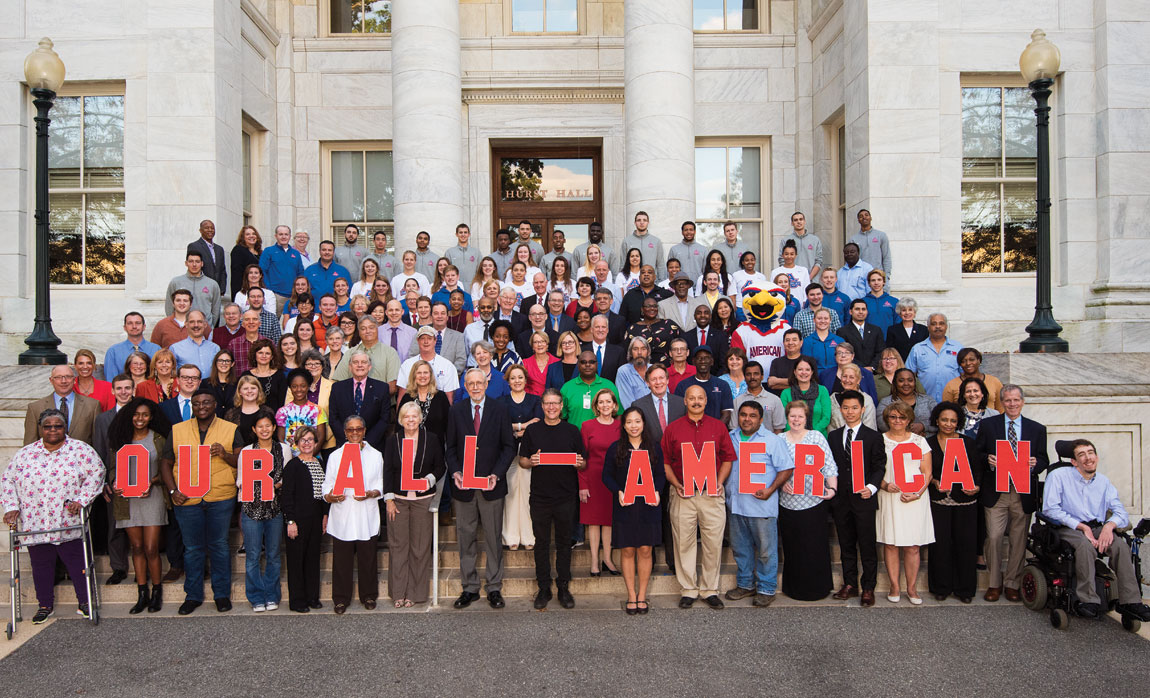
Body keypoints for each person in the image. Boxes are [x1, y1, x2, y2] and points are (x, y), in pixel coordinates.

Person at [2, 409, 104, 622]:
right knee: (41, 567)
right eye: (48, 426)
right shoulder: (26, 454)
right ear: (40, 428)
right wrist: (11, 507)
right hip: (36, 523)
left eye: (57, 426)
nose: (53, 430)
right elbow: (7, 481)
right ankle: (45, 605)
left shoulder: (80, 450)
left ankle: (86, 602)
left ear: (64, 427)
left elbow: (97, 473)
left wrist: (82, 500)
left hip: (67, 521)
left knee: (78, 565)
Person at [1041, 439, 1150, 621]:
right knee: (1085, 546)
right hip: (1068, 526)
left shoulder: (1103, 482)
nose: (1088, 458)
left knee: (1120, 547)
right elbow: (1050, 509)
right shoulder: (1058, 476)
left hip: (1097, 526)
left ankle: (1130, 602)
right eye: (1081, 454)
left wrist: (1109, 526)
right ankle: (1087, 600)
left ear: (1097, 458)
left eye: (1090, 453)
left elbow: (1120, 511)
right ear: (1074, 461)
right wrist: (1082, 527)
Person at [160, 389, 242, 615]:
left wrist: (225, 455)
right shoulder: (177, 430)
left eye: (206, 402)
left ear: (215, 404)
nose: (201, 407)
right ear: (192, 406)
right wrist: (172, 490)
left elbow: (242, 460)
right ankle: (193, 596)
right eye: (196, 403)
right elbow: (166, 463)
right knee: (193, 549)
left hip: (220, 496)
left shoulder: (230, 428)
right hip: (187, 497)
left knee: (219, 546)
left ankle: (222, 595)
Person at [661, 384, 737, 609]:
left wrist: (719, 482)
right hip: (682, 494)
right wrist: (676, 484)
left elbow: (727, 458)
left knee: (713, 543)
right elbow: (664, 461)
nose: (696, 401)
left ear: (706, 401)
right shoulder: (673, 429)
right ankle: (688, 589)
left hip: (711, 495)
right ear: (685, 401)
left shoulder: (718, 427)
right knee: (683, 542)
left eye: (700, 398)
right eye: (691, 398)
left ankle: (710, 589)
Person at [447, 369, 517, 610]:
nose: (475, 387)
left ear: (487, 383)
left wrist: (496, 474)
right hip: (464, 486)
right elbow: (451, 447)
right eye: (470, 383)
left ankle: (494, 587)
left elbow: (509, 447)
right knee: (465, 537)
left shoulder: (500, 409)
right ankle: (469, 587)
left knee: (493, 537)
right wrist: (456, 471)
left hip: (491, 485)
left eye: (479, 383)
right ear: (464, 386)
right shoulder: (456, 411)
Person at [975, 384, 1049, 603]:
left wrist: (1036, 464)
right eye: (1007, 400)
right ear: (1002, 402)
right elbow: (977, 454)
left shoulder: (1037, 429)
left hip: (1022, 492)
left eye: (1016, 400)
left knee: (1018, 539)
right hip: (995, 491)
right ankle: (994, 583)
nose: (1012, 404)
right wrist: (987, 460)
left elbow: (1044, 459)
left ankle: (1012, 583)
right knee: (995, 537)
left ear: (1022, 402)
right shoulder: (988, 425)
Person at [517, 389, 585, 609]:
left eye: (556, 403)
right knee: (542, 543)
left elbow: (583, 462)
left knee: (565, 543)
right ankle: (544, 587)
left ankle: (563, 587)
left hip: (566, 496)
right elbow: (522, 461)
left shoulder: (572, 431)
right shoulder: (533, 430)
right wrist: (532, 461)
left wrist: (579, 463)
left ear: (561, 406)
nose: (552, 407)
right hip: (540, 497)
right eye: (548, 403)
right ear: (543, 406)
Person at [725, 401, 794, 608]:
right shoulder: (731, 438)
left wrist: (771, 489)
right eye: (744, 415)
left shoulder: (773, 441)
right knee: (740, 549)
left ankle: (766, 588)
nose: (747, 419)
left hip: (761, 506)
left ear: (761, 419)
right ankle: (746, 585)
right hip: (736, 504)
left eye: (752, 415)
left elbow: (787, 469)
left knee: (765, 550)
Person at [105, 397, 170, 612]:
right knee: (137, 547)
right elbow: (113, 468)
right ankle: (142, 592)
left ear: (151, 417)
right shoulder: (122, 439)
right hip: (128, 499)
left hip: (152, 498)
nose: (140, 418)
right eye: (136, 414)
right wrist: (114, 483)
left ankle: (156, 592)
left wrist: (153, 481)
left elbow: (168, 468)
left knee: (151, 547)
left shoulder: (159, 439)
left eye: (144, 414)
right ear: (129, 416)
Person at [602, 407, 665, 614]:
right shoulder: (615, 448)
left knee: (646, 550)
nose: (633, 426)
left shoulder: (654, 448)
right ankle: (630, 595)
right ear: (623, 425)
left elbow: (661, 474)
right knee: (628, 549)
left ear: (643, 424)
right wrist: (618, 491)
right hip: (625, 506)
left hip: (648, 506)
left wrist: (657, 491)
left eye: (637, 421)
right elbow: (606, 476)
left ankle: (642, 595)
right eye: (629, 422)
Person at [383, 402, 446, 608]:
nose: (410, 420)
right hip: (399, 500)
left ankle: (415, 593)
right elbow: (388, 471)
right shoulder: (394, 441)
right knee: (398, 547)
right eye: (406, 416)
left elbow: (440, 466)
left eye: (414, 416)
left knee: (419, 548)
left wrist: (429, 479)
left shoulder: (432, 439)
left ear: (420, 418)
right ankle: (398, 592)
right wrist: (389, 499)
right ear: (401, 420)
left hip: (422, 500)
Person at [828, 390, 886, 607]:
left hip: (864, 499)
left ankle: (868, 587)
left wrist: (871, 487)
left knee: (867, 545)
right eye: (845, 408)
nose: (849, 412)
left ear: (863, 409)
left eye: (854, 408)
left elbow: (879, 466)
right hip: (841, 500)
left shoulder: (873, 436)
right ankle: (850, 584)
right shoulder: (833, 436)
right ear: (840, 409)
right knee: (846, 544)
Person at [777, 399, 837, 601]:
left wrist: (833, 488)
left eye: (800, 416)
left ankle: (818, 588)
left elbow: (829, 465)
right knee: (793, 547)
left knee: (814, 546)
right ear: (787, 418)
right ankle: (794, 589)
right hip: (788, 502)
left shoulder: (816, 437)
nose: (796, 420)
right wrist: (780, 483)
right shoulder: (780, 440)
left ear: (806, 418)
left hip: (814, 501)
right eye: (792, 416)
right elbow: (773, 469)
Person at [323, 415, 384, 614]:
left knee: (368, 558)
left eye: (359, 429)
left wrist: (372, 493)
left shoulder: (375, 455)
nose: (355, 432)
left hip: (366, 513)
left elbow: (382, 482)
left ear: (365, 430)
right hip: (344, 514)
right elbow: (327, 484)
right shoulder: (336, 456)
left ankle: (369, 595)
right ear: (344, 432)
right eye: (350, 429)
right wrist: (330, 497)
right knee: (341, 560)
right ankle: (341, 599)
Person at [926, 402, 985, 603]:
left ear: (958, 422)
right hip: (938, 501)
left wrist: (976, 486)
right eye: (944, 419)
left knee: (965, 546)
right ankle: (940, 587)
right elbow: (924, 471)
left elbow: (977, 470)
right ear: (936, 420)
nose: (948, 424)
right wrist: (934, 481)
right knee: (940, 546)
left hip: (965, 502)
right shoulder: (929, 443)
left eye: (953, 420)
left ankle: (965, 590)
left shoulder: (967, 443)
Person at [876, 401, 934, 604]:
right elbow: (872, 470)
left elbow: (927, 472)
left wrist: (917, 493)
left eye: (902, 417)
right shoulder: (879, 440)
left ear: (909, 419)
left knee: (913, 546)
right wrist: (883, 485)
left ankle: (911, 587)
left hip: (914, 498)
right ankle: (894, 585)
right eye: (893, 417)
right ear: (887, 419)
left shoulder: (920, 441)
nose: (897, 421)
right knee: (891, 544)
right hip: (889, 495)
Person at [236, 409, 289, 612]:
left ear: (274, 427)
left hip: (275, 509)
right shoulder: (247, 451)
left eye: (268, 425)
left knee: (274, 555)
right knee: (253, 555)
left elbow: (288, 476)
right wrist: (258, 486)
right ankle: (256, 596)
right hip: (251, 509)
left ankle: (271, 594)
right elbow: (240, 481)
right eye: (260, 426)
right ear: (254, 429)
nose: (264, 429)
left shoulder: (283, 449)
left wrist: (277, 484)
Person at [280, 425, 328, 613]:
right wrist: (290, 521)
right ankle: (298, 601)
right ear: (297, 443)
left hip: (316, 518)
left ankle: (312, 597)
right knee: (296, 560)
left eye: (310, 440)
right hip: (298, 520)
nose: (307, 443)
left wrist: (325, 515)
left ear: (316, 443)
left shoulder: (320, 463)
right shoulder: (293, 465)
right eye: (303, 440)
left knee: (312, 559)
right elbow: (287, 496)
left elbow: (324, 493)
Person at [500, 365, 543, 551]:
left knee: (527, 494)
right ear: (508, 381)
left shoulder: (535, 400)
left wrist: (515, 429)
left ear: (526, 380)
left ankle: (528, 536)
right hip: (507, 453)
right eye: (513, 378)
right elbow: (500, 426)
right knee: (509, 494)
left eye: (520, 377)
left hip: (529, 453)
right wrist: (523, 425)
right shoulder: (501, 402)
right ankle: (510, 537)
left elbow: (537, 426)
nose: (517, 381)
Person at [580, 389, 622, 577]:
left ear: (615, 405)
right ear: (596, 406)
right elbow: (582, 458)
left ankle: (608, 559)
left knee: (609, 521)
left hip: (613, 479)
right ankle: (594, 562)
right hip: (593, 477)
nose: (605, 405)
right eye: (601, 402)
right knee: (594, 522)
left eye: (608, 401)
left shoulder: (622, 426)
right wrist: (582, 484)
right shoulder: (587, 426)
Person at [24, 364, 100, 446]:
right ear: (51, 380)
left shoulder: (92, 406)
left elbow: (98, 442)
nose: (63, 381)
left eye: (68, 377)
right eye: (58, 377)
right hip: (48, 457)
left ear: (74, 380)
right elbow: (30, 445)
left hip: (82, 457)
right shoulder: (35, 408)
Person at [328, 353, 391, 451]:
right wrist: (348, 439)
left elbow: (385, 418)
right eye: (355, 362)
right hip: (345, 445)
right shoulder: (338, 388)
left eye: (364, 362)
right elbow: (333, 418)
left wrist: (367, 443)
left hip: (373, 446)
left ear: (369, 367)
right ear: (350, 366)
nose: (360, 365)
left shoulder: (382, 388)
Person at [905, 313, 963, 402]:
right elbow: (908, 374)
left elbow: (964, 374)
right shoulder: (917, 349)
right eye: (934, 324)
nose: (938, 326)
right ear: (928, 327)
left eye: (941, 323)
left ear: (946, 327)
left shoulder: (957, 347)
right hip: (924, 401)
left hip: (953, 400)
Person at [335, 315, 402, 389]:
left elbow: (393, 387)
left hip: (381, 399)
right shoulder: (350, 353)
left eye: (371, 328)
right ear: (359, 332)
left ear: (377, 329)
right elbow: (339, 382)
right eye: (363, 329)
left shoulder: (390, 353)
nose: (367, 331)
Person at [673, 346, 733, 424]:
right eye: (699, 358)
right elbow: (679, 414)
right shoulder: (683, 386)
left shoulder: (722, 385)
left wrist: (714, 432)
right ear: (694, 361)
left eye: (706, 358)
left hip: (715, 433)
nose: (703, 361)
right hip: (690, 432)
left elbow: (726, 415)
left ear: (712, 361)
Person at [560, 351, 621, 428]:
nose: (587, 365)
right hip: (575, 437)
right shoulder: (567, 387)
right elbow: (561, 416)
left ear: (597, 364)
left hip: (603, 437)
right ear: (578, 365)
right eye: (583, 362)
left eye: (591, 362)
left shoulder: (609, 386)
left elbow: (618, 414)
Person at [276, 368, 328, 455]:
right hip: (290, 460)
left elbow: (321, 437)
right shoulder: (282, 412)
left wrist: (308, 456)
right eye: (294, 386)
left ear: (308, 386)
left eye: (303, 386)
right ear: (290, 388)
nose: (299, 389)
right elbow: (281, 438)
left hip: (313, 458)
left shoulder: (318, 410)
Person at [166, 249, 222, 327]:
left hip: (204, 329)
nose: (194, 264)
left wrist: (209, 325)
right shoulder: (176, 282)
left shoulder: (212, 284)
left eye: (197, 262)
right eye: (191, 261)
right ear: (186, 263)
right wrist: (175, 326)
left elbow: (216, 310)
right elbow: (169, 307)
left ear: (202, 264)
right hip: (181, 328)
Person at [259, 225, 306, 313]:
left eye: (286, 234)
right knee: (274, 321)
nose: (283, 237)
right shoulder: (269, 251)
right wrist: (269, 289)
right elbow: (262, 271)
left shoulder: (295, 253)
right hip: (276, 295)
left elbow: (300, 273)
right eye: (280, 234)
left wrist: (300, 290)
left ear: (290, 236)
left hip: (293, 296)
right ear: (276, 236)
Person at [941, 348, 1005, 413]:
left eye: (972, 360)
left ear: (979, 360)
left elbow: (1001, 409)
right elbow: (946, 411)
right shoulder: (951, 385)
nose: (968, 363)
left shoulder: (994, 382)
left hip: (990, 421)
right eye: (963, 361)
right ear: (960, 364)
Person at [779, 357, 831, 436]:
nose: (804, 372)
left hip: (817, 436)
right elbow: (784, 418)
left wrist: (811, 434)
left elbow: (826, 417)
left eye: (807, 370)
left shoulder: (822, 391)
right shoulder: (786, 393)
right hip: (793, 437)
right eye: (800, 369)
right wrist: (797, 434)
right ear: (795, 372)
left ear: (812, 372)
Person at [877, 368, 937, 436]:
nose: (906, 383)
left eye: (910, 380)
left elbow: (939, 421)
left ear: (915, 382)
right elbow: (882, 425)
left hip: (927, 442)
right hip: (897, 442)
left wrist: (923, 426)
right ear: (895, 383)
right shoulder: (886, 402)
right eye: (901, 381)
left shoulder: (928, 400)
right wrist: (908, 434)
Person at [627, 297, 681, 369]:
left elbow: (681, 342)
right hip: (642, 369)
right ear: (642, 309)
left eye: (655, 306)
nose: (652, 308)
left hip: (667, 368)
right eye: (648, 306)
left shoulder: (668, 324)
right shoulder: (633, 328)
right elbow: (627, 351)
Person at [733, 360, 786, 433]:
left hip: (768, 443)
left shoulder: (775, 400)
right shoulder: (737, 401)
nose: (752, 377)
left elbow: (779, 429)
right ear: (744, 377)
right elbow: (734, 429)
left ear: (762, 377)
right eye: (748, 374)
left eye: (756, 374)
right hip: (744, 443)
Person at [836, 299, 885, 370]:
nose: (861, 312)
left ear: (867, 311)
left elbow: (881, 351)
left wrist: (872, 367)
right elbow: (844, 353)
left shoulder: (876, 330)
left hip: (874, 372)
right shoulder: (842, 331)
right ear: (850, 312)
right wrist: (861, 368)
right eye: (857, 309)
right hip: (852, 370)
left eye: (863, 309)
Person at [170, 311, 220, 378]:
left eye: (199, 322)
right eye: (192, 322)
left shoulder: (215, 348)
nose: (196, 325)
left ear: (205, 324)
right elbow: (172, 375)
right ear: (186, 324)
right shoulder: (175, 349)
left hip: (211, 387)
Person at [829, 363, 878, 430]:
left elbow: (869, 425)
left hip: (861, 439)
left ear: (858, 380)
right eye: (844, 376)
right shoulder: (832, 399)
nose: (847, 380)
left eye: (851, 377)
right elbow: (830, 425)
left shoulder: (866, 399)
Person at [620, 211, 667, 280]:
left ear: (648, 222)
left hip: (652, 282)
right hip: (632, 282)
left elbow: (660, 264)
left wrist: (661, 282)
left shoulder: (656, 241)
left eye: (644, 220)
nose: (642, 222)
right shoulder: (627, 241)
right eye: (639, 220)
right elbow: (623, 263)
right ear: (635, 223)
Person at [778, 211, 824, 279]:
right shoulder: (785, 240)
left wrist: (808, 278)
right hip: (792, 281)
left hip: (811, 281)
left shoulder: (815, 240)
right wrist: (791, 278)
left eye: (801, 219)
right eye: (795, 220)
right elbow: (782, 260)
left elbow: (819, 261)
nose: (799, 222)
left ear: (804, 221)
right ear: (792, 223)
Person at [850, 209, 892, 282]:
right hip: (861, 278)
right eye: (861, 216)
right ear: (858, 220)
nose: (864, 217)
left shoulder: (881, 235)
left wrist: (887, 276)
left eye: (866, 215)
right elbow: (851, 260)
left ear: (871, 218)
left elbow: (886, 257)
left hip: (878, 278)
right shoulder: (853, 239)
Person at [885, 297, 928, 361]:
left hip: (919, 365)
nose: (907, 313)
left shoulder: (923, 329)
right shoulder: (892, 330)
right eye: (904, 310)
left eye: (910, 310)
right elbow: (890, 351)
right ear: (899, 313)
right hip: (900, 366)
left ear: (915, 312)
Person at [614, 337, 652, 408]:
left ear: (648, 352)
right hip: (635, 417)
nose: (639, 352)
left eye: (643, 349)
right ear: (630, 352)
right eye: (635, 349)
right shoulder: (624, 371)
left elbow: (664, 396)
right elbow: (628, 404)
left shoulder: (655, 370)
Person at [800, 307, 842, 372]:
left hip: (835, 377)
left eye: (826, 318)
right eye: (819, 318)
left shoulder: (839, 341)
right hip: (815, 378)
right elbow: (806, 365)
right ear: (814, 320)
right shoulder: (807, 341)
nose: (823, 321)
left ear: (830, 320)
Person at [766, 329, 805, 396]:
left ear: (801, 342)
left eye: (794, 340)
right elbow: (771, 384)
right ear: (783, 343)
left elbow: (811, 384)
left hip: (803, 401)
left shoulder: (808, 361)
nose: (790, 343)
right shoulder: (776, 362)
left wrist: (777, 381)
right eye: (787, 340)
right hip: (780, 401)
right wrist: (798, 383)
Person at [230, 225, 263, 299]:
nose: (251, 236)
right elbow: (236, 274)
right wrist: (236, 295)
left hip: (259, 290)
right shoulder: (238, 250)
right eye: (248, 234)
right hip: (245, 291)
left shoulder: (261, 253)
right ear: (243, 237)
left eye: (254, 234)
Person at [862, 270, 899, 335]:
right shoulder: (862, 302)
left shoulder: (894, 302)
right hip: (868, 341)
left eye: (879, 280)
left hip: (888, 341)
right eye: (873, 280)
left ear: (884, 282)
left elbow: (898, 324)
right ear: (869, 283)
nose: (876, 283)